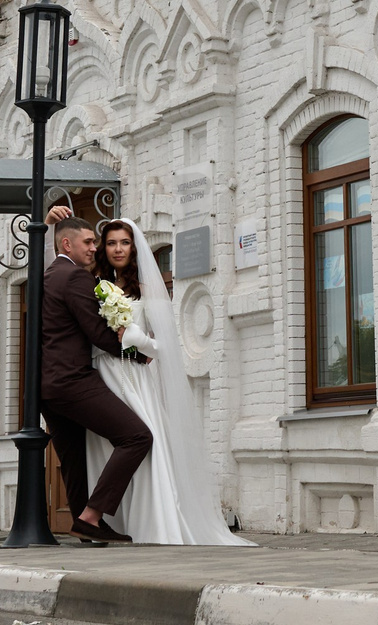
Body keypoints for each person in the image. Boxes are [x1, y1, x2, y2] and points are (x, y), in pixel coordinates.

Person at [45, 206, 250, 546]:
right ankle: (95, 522)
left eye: (124, 243)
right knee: (98, 449)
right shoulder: (91, 283)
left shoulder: (146, 288)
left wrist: (136, 344)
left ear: (135, 248)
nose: (115, 249)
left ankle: (145, 521)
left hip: (133, 376)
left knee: (143, 439)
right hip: (99, 374)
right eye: (109, 243)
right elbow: (90, 329)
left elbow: (162, 345)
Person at [36, 218, 149, 545]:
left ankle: (87, 528)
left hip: (47, 387)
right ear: (67, 244)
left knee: (73, 460)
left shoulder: (48, 276)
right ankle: (91, 516)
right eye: (87, 242)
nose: (94, 247)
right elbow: (99, 335)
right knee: (137, 436)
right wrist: (138, 356)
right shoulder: (74, 277)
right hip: (73, 381)